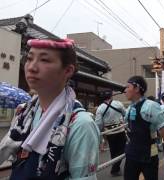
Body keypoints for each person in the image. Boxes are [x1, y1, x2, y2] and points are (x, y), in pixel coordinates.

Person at [0, 38, 100, 180]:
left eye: (44, 60)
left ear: (68, 70)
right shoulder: (23, 112)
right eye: (29, 58)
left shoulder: (80, 124)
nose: (31, 67)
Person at [123, 76, 164, 180]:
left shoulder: (151, 106)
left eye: (128, 87)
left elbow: (162, 128)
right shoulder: (130, 107)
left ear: (137, 89)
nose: (125, 90)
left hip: (148, 154)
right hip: (132, 153)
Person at [95, 89, 126, 176]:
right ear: (111, 96)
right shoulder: (118, 103)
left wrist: (100, 138)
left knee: (113, 151)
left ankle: (115, 169)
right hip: (120, 130)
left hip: (109, 133)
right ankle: (115, 169)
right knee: (122, 150)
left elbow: (98, 124)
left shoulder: (100, 108)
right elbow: (125, 113)